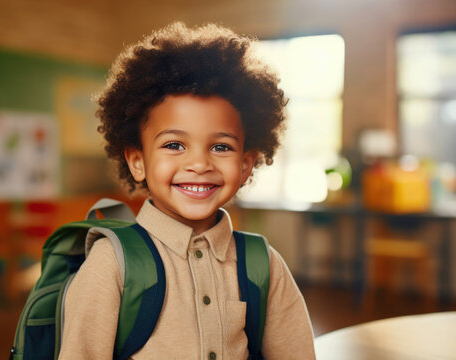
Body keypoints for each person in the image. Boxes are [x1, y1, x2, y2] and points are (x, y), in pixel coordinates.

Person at [59, 22, 315, 360]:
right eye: (175, 144)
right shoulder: (111, 264)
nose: (198, 163)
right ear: (138, 161)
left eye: (221, 147)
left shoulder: (263, 265)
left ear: (245, 165)